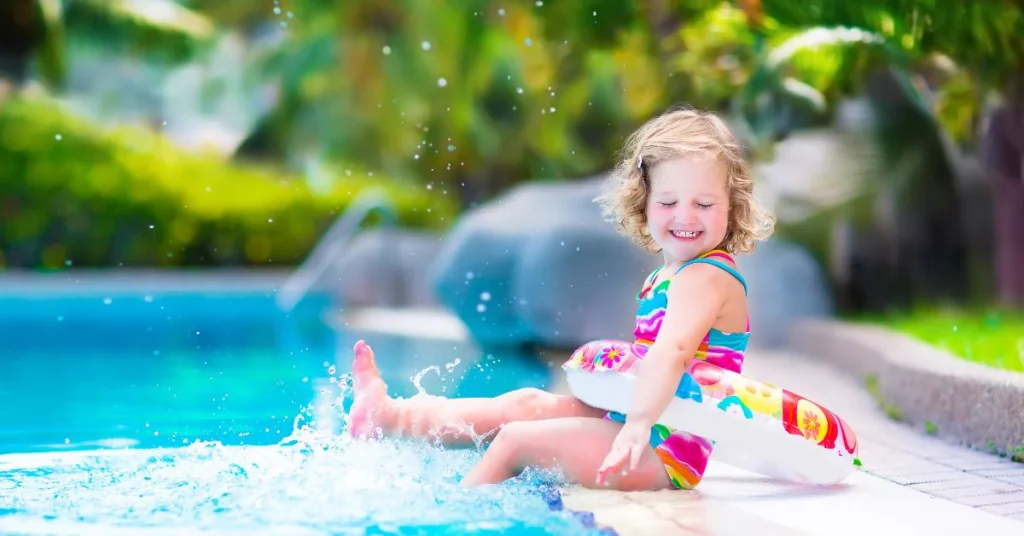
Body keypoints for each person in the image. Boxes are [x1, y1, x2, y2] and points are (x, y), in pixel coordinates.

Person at [346, 105, 775, 491]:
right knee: (524, 404)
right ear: (644, 203)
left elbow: (673, 352)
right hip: (638, 422)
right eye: (668, 201)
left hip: (665, 449)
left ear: (732, 206)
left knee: (516, 441)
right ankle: (390, 416)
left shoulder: (706, 276)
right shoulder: (668, 274)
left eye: (703, 203)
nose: (685, 216)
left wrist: (637, 425)